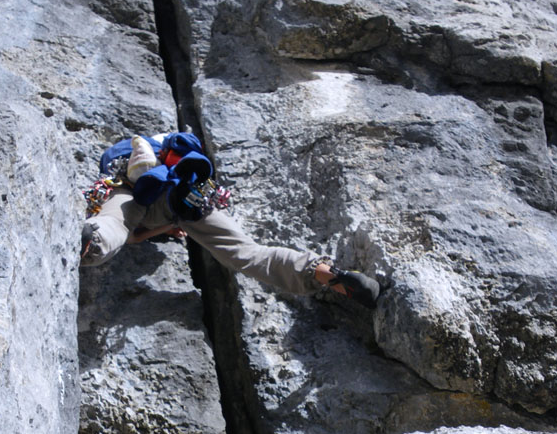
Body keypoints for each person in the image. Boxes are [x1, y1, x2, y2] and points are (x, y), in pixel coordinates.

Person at [80, 132, 380, 308]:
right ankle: (326, 272)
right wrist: (175, 225)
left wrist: (159, 229)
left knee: (117, 221)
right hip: (188, 198)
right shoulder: (185, 175)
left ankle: (92, 241)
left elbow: (131, 236)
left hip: (132, 190)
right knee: (247, 253)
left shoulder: (117, 173)